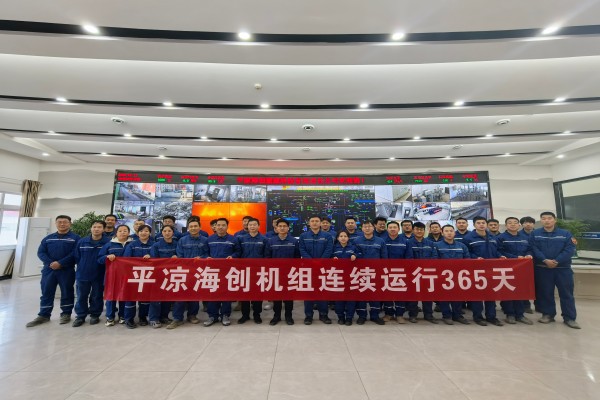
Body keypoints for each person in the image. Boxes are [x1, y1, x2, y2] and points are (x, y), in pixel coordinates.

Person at [26, 215, 80, 327]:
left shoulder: (75, 238)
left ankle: (66, 314)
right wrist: (51, 263)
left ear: (70, 224)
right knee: (46, 292)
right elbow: (41, 252)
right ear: (55, 223)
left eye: (65, 222)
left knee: (67, 292)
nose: (62, 224)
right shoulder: (48, 238)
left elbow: (75, 253)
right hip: (49, 270)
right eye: (59, 222)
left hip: (66, 270)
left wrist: (61, 263)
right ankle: (44, 315)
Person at [529, 211, 579, 329]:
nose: (547, 220)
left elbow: (570, 249)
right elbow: (533, 248)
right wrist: (545, 260)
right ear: (541, 220)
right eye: (544, 218)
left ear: (554, 220)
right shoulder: (535, 234)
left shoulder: (565, 233)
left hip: (563, 269)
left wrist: (557, 261)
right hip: (543, 269)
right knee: (545, 293)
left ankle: (569, 318)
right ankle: (548, 314)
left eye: (549, 218)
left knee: (566, 294)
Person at [463, 216, 505, 327]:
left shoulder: (493, 237)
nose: (481, 225)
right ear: (474, 225)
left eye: (483, 223)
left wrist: (500, 256)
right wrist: (475, 258)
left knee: (490, 294)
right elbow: (466, 253)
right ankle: (478, 317)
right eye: (478, 223)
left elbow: (496, 251)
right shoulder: (468, 238)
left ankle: (491, 317)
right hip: (476, 270)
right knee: (477, 295)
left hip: (491, 269)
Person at [167, 219, 208, 329]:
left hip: (198, 272)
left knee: (194, 295)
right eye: (191, 226)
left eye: (195, 226)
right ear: (188, 228)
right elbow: (179, 255)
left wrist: (201, 258)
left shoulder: (205, 240)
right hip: (184, 272)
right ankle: (177, 318)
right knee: (180, 295)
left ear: (200, 227)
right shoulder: (182, 240)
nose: (193, 228)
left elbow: (207, 254)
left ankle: (192, 315)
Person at [72, 220, 110, 327]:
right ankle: (80, 316)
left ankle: (95, 315)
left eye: (99, 227)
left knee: (97, 296)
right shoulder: (82, 241)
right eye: (94, 227)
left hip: (99, 273)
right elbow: (77, 257)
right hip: (83, 273)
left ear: (103, 229)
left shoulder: (108, 242)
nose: (96, 229)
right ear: (91, 228)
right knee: (81, 296)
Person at [497, 217, 534, 325]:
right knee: (508, 291)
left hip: (522, 268)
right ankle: (510, 314)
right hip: (507, 269)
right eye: (510, 223)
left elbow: (530, 249)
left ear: (519, 225)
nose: (512, 224)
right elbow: (499, 251)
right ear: (506, 225)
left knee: (520, 291)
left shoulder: (525, 237)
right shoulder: (501, 237)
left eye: (515, 223)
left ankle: (520, 314)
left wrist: (529, 255)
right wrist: (515, 257)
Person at [299, 215, 334, 325]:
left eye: (317, 221)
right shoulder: (303, 236)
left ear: (320, 223)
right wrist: (312, 262)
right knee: (308, 292)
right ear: (309, 223)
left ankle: (323, 315)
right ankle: (308, 316)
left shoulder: (327, 236)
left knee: (322, 291)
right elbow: (302, 250)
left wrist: (320, 262)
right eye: (312, 221)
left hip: (323, 268)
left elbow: (329, 250)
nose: (314, 223)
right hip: (308, 268)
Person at [265, 219, 300, 325]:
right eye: (280, 226)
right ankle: (276, 316)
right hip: (276, 273)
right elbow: (267, 257)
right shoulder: (271, 241)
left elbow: (297, 257)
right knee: (277, 296)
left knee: (289, 296)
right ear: (276, 228)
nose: (282, 228)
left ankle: (289, 316)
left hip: (289, 273)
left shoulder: (294, 241)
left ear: (288, 228)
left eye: (284, 226)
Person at [97, 224, 132, 326]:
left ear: (129, 233)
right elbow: (99, 259)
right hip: (112, 275)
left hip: (127, 275)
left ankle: (122, 316)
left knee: (124, 296)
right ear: (116, 233)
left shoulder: (132, 244)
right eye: (120, 231)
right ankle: (110, 317)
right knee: (111, 296)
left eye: (125, 231)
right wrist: (107, 257)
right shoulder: (109, 245)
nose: (122, 233)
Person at [435, 225, 470, 324]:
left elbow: (467, 259)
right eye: (446, 231)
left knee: (457, 296)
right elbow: (434, 260)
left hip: (458, 275)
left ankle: (457, 315)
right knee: (444, 296)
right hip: (443, 275)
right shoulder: (436, 246)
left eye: (451, 231)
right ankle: (446, 316)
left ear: (454, 233)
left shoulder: (461, 246)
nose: (449, 233)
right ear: (442, 233)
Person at [354, 220, 387, 325]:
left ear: (373, 228)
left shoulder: (380, 241)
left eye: (369, 226)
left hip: (375, 272)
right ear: (362, 229)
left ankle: (375, 316)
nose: (367, 228)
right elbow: (353, 255)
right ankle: (362, 316)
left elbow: (384, 257)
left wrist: (382, 271)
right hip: (361, 273)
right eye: (365, 226)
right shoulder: (356, 241)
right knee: (361, 295)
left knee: (375, 295)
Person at [205, 218, 237, 327]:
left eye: (223, 225)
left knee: (226, 294)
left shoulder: (233, 239)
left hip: (227, 271)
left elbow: (238, 251)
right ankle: (212, 316)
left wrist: (233, 256)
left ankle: (225, 315)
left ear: (227, 226)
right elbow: (205, 252)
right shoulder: (210, 239)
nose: (220, 227)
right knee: (212, 294)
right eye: (218, 225)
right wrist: (207, 257)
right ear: (215, 226)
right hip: (213, 271)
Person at [236, 218, 268, 324]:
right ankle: (245, 315)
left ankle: (257, 315)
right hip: (244, 271)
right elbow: (238, 253)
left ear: (259, 226)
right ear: (247, 226)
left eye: (254, 224)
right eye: (250, 225)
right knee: (244, 294)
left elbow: (266, 256)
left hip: (258, 271)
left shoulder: (264, 239)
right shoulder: (241, 239)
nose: (252, 226)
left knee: (257, 294)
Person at [122, 224, 154, 328]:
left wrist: (151, 256)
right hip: (133, 275)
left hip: (148, 275)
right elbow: (126, 259)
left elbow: (158, 258)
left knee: (145, 298)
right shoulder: (131, 245)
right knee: (130, 297)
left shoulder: (154, 245)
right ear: (137, 233)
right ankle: (129, 319)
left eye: (146, 231)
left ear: (150, 233)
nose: (143, 233)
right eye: (141, 231)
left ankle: (143, 317)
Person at [407, 221, 439, 323]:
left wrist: (427, 268)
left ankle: (428, 315)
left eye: (421, 229)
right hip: (413, 273)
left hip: (427, 273)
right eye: (417, 229)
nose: (419, 231)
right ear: (413, 230)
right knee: (413, 295)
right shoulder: (408, 243)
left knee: (427, 294)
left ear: (424, 231)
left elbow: (434, 257)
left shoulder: (430, 243)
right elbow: (408, 258)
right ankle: (413, 315)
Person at [149, 225, 179, 328]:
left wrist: (177, 257)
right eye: (165, 231)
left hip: (172, 274)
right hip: (159, 274)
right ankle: (153, 318)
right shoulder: (156, 245)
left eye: (169, 231)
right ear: (161, 233)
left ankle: (164, 317)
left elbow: (181, 256)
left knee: (167, 297)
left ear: (173, 233)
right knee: (156, 298)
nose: (167, 233)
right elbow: (154, 260)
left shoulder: (177, 244)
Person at [382, 221, 411, 323]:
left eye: (395, 227)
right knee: (387, 293)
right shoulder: (383, 241)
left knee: (400, 294)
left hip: (401, 272)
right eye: (390, 227)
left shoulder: (405, 241)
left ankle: (399, 315)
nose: (393, 229)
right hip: (386, 272)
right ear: (387, 229)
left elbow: (409, 257)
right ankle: (388, 314)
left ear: (398, 229)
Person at [332, 230, 359, 326]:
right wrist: (332, 259)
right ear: (338, 238)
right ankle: (341, 317)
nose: (343, 238)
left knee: (351, 298)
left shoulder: (353, 247)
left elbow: (360, 255)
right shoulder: (334, 248)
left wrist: (355, 256)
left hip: (351, 276)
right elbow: (329, 258)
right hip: (338, 276)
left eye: (345, 236)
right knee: (339, 298)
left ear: (348, 238)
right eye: (341, 236)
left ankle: (349, 317)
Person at [519, 216, 536, 314]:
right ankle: (526, 305)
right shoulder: (518, 235)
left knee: (538, 285)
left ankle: (539, 305)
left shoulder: (538, 234)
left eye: (530, 222)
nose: (528, 224)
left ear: (534, 224)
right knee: (524, 285)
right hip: (523, 263)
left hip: (538, 263)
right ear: (522, 224)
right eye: (525, 222)